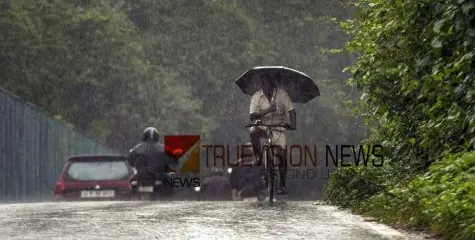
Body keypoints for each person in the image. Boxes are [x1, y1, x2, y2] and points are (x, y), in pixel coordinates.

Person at [249, 73, 297, 195]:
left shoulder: (282, 95)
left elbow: (291, 111)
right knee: (253, 131)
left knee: (283, 155)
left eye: (269, 85)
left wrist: (293, 125)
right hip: (263, 125)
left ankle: (282, 184)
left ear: (273, 84)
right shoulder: (256, 96)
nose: (267, 88)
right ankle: (259, 157)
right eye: (264, 85)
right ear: (262, 85)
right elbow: (252, 116)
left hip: (278, 127)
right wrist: (268, 110)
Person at [128, 127, 177, 195]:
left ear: (144, 136)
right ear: (157, 136)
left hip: (141, 175)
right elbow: (172, 160)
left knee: (131, 183)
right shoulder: (163, 147)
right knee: (170, 184)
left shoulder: (136, 148)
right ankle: (169, 198)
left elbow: (130, 161)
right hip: (159, 175)